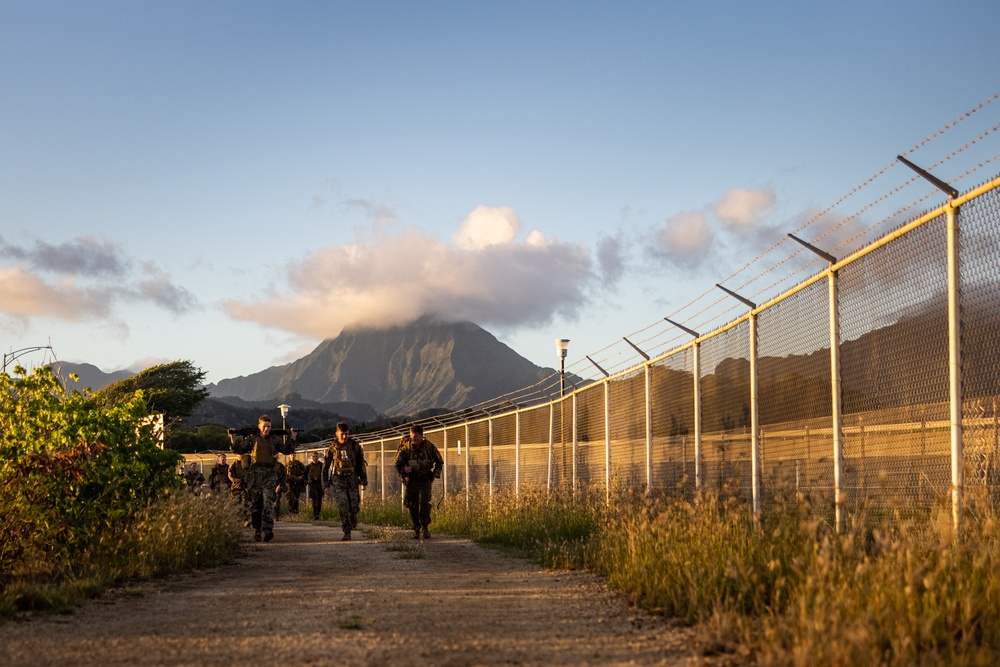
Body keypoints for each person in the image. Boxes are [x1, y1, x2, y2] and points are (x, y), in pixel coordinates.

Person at [229, 415, 297, 542]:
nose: (266, 429)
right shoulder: (253, 440)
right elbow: (237, 450)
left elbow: (287, 450)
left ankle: (267, 529)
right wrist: (232, 438)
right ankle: (257, 530)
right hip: (254, 475)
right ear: (259, 426)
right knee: (255, 505)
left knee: (268, 502)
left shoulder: (274, 440)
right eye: (264, 426)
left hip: (269, 475)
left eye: (269, 427)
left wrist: (292, 438)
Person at [394, 424, 443, 539]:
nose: (413, 440)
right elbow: (397, 464)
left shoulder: (429, 447)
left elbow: (439, 461)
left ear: (421, 436)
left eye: (416, 437)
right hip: (411, 480)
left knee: (424, 503)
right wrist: (403, 470)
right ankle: (416, 528)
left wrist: (436, 473)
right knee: (412, 505)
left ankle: (425, 527)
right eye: (411, 437)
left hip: (425, 479)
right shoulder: (406, 448)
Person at [323, 422, 368, 541]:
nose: (344, 437)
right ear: (336, 434)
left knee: (353, 506)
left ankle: (353, 515)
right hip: (338, 479)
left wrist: (364, 480)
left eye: (346, 434)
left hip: (352, 479)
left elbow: (361, 464)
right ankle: (346, 531)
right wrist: (326, 485)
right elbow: (325, 467)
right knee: (343, 504)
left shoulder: (355, 446)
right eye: (342, 434)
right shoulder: (332, 448)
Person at [228, 453, 251, 526]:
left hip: (244, 487)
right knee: (236, 504)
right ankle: (237, 520)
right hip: (236, 487)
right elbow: (230, 474)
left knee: (245, 504)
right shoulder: (234, 464)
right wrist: (234, 479)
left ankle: (246, 520)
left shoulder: (246, 464)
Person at [305, 451, 325, 520]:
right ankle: (315, 515)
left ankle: (318, 514)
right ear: (312, 457)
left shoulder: (321, 465)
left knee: (319, 500)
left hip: (320, 484)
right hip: (312, 485)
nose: (315, 458)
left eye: (316, 456)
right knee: (314, 500)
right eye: (314, 456)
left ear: (318, 457)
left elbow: (325, 475)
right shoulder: (309, 466)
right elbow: (304, 476)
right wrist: (307, 481)